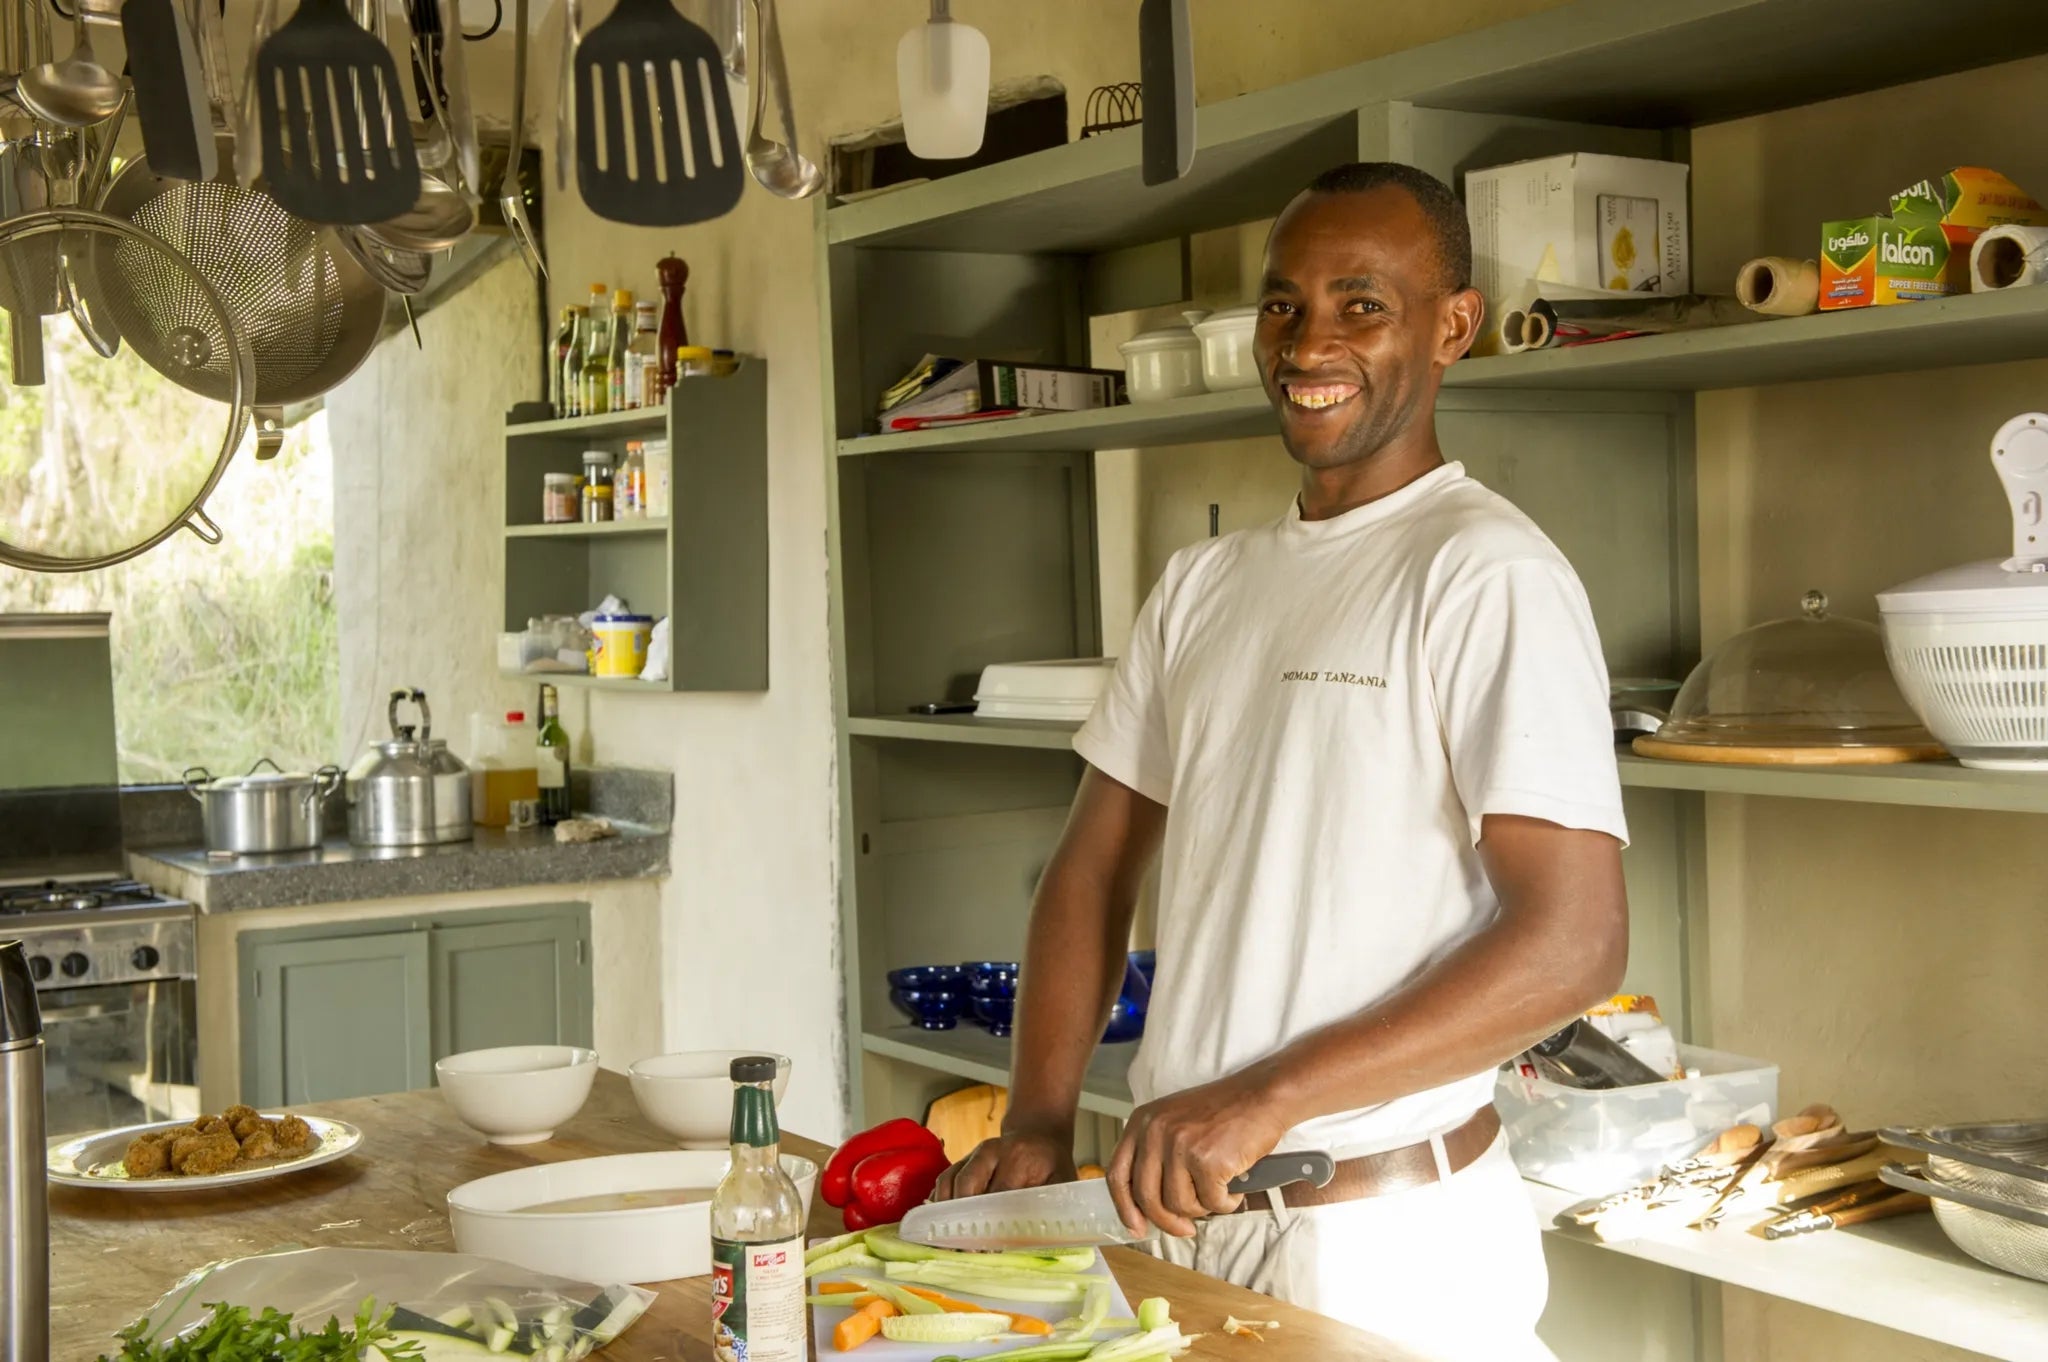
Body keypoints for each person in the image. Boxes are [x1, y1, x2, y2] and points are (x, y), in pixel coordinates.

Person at [929, 162, 1631, 1362]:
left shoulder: (1483, 573)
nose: (1308, 343)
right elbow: (1091, 870)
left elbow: (1573, 942)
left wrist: (1265, 1098)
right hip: (1185, 1222)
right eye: (1282, 306)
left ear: (1452, 325)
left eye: (1362, 304)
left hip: (1382, 1244)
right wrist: (1038, 1114)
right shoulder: (1202, 586)